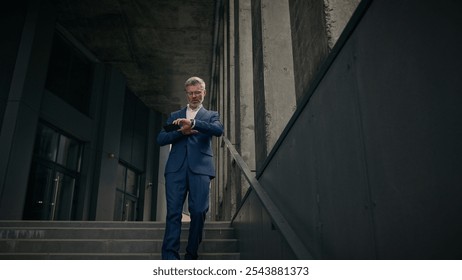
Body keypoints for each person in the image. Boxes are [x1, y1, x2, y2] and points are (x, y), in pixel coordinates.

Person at [157, 76, 224, 260]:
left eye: (198, 93)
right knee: (173, 212)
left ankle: (191, 254)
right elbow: (161, 139)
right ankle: (170, 257)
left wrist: (194, 124)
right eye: (191, 93)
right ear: (187, 94)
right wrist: (181, 132)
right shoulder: (174, 116)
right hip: (175, 170)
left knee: (198, 211)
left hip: (201, 169)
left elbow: (218, 130)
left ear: (204, 92)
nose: (194, 96)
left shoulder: (211, 115)